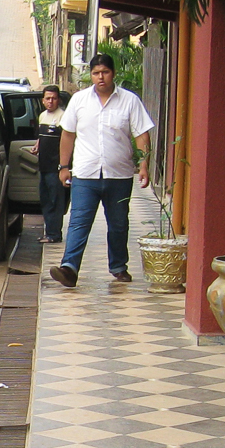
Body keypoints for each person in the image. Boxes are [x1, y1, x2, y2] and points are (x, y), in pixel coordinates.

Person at [50, 52, 154, 287]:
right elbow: (68, 134)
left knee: (118, 224)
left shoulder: (129, 101)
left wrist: (144, 164)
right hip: (85, 175)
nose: (100, 77)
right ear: (91, 75)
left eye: (105, 72)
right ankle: (69, 268)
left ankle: (118, 266)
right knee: (79, 221)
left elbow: (141, 134)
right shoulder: (79, 100)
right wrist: (64, 166)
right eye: (96, 73)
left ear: (113, 73)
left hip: (119, 175)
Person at [36, 85, 68, 243]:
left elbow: (67, 141)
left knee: (56, 202)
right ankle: (49, 232)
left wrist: (64, 166)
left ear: (59, 100)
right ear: (43, 100)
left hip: (56, 168)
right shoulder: (42, 116)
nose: (50, 101)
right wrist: (38, 145)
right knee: (46, 201)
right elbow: (42, 137)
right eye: (48, 98)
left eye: (54, 98)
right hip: (43, 166)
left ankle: (54, 234)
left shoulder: (63, 117)